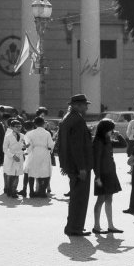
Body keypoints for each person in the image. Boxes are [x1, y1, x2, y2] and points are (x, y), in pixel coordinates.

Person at [58, 94, 93, 236]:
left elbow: (62, 144)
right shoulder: (77, 120)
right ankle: (75, 228)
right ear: (77, 105)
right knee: (80, 198)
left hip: (70, 165)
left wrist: (63, 164)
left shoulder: (67, 118)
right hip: (79, 166)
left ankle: (72, 226)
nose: (86, 107)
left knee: (75, 197)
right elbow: (77, 146)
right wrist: (82, 167)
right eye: (85, 104)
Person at [92, 118, 122, 234]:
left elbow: (123, 144)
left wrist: (118, 135)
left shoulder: (107, 139)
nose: (112, 131)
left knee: (109, 198)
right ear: (105, 129)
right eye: (111, 129)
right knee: (101, 199)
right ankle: (96, 226)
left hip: (110, 172)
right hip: (103, 174)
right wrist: (97, 176)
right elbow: (97, 161)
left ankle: (111, 225)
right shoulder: (98, 141)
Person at [24, 116, 55, 198]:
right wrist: (50, 150)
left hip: (34, 152)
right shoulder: (47, 133)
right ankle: (42, 191)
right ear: (43, 123)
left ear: (35, 124)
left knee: (32, 172)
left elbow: (28, 145)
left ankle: (31, 191)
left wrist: (27, 152)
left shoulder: (30, 133)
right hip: (44, 153)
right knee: (44, 172)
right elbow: (51, 145)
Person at [2, 119, 26, 198]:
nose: (19, 128)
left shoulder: (22, 135)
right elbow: (5, 149)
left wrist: (25, 147)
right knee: (11, 174)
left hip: (19, 156)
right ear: (12, 127)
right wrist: (12, 156)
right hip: (11, 157)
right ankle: (10, 190)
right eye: (16, 127)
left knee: (17, 174)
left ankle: (14, 190)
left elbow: (22, 146)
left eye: (20, 126)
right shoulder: (8, 136)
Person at [19, 121, 36, 197]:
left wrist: (24, 149)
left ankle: (24, 190)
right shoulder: (35, 133)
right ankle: (32, 191)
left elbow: (27, 146)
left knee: (26, 173)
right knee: (32, 174)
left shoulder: (26, 135)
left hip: (29, 155)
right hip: (36, 155)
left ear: (25, 128)